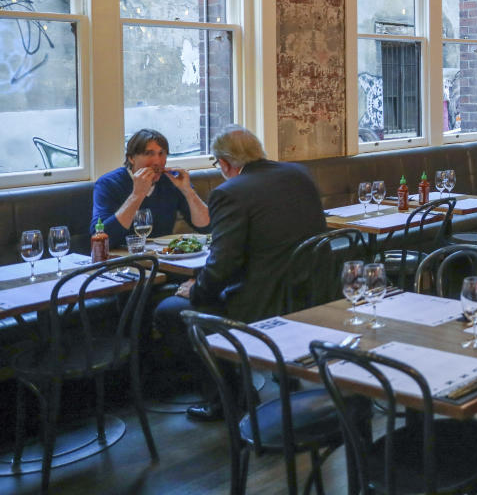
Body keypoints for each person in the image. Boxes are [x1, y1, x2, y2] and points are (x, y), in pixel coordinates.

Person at [153, 125, 327, 421]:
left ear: (224, 163)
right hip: (312, 292)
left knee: (170, 310)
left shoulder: (230, 192)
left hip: (264, 304)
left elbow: (223, 264)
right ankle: (253, 385)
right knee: (200, 296)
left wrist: (194, 289)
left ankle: (227, 398)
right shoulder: (299, 174)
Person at [91, 129, 210, 249]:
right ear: (131, 158)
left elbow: (206, 227)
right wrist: (137, 195)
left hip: (164, 257)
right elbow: (101, 239)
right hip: (123, 258)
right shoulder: (108, 183)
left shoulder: (170, 181)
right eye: (149, 153)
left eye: (162, 153)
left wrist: (188, 191)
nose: (157, 162)